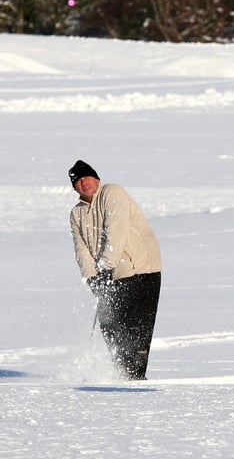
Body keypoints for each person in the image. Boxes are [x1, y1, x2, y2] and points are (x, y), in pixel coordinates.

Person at [68, 160, 162, 380]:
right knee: (110, 327)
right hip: (108, 275)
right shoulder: (76, 214)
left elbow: (116, 233)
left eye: (87, 177)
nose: (84, 183)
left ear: (97, 179)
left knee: (136, 327)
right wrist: (92, 279)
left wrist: (105, 267)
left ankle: (136, 377)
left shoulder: (112, 192)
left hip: (141, 269)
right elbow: (81, 251)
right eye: (78, 180)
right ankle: (123, 373)